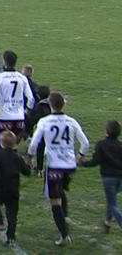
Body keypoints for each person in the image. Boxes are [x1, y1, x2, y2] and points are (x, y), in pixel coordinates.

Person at [27, 92, 90, 246]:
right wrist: (79, 156)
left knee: (54, 201)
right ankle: (65, 217)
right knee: (61, 191)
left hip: (54, 166)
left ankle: (64, 235)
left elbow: (34, 144)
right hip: (70, 167)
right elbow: (86, 144)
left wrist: (30, 157)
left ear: (50, 105)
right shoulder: (72, 121)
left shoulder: (44, 121)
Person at [81, 120, 122, 232]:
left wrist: (82, 163)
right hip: (120, 178)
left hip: (108, 178)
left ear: (106, 132)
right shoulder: (120, 146)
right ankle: (107, 220)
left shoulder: (101, 145)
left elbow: (95, 161)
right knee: (112, 199)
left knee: (112, 204)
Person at [0, 51, 34, 146]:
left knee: (1, 145)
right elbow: (31, 98)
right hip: (19, 118)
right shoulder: (22, 78)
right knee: (13, 146)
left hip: (4, 117)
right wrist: (27, 112)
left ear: (4, 62)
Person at [29, 85, 52, 176]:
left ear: (38, 95)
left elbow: (32, 120)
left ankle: (39, 169)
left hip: (42, 131)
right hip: (52, 131)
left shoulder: (38, 107)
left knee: (40, 149)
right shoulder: (52, 105)